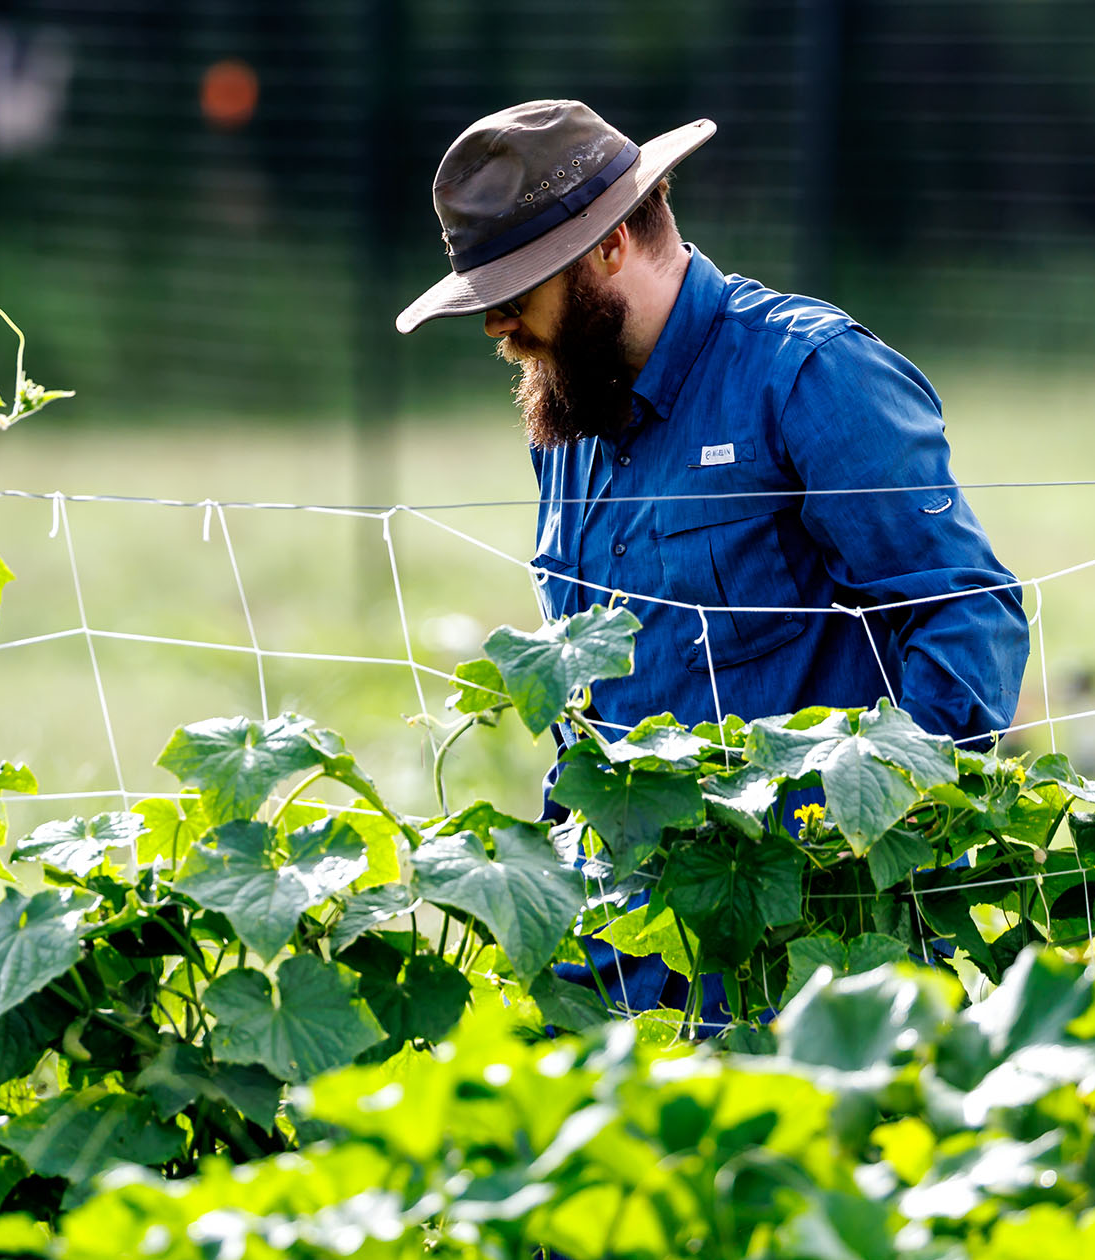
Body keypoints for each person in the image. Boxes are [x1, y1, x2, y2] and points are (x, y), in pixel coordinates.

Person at [395, 100, 1032, 1017]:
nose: (497, 327)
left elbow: (968, 619)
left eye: (514, 296)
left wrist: (858, 854)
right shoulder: (567, 416)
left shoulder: (807, 376)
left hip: (804, 965)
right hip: (616, 963)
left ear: (610, 247)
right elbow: (593, 707)